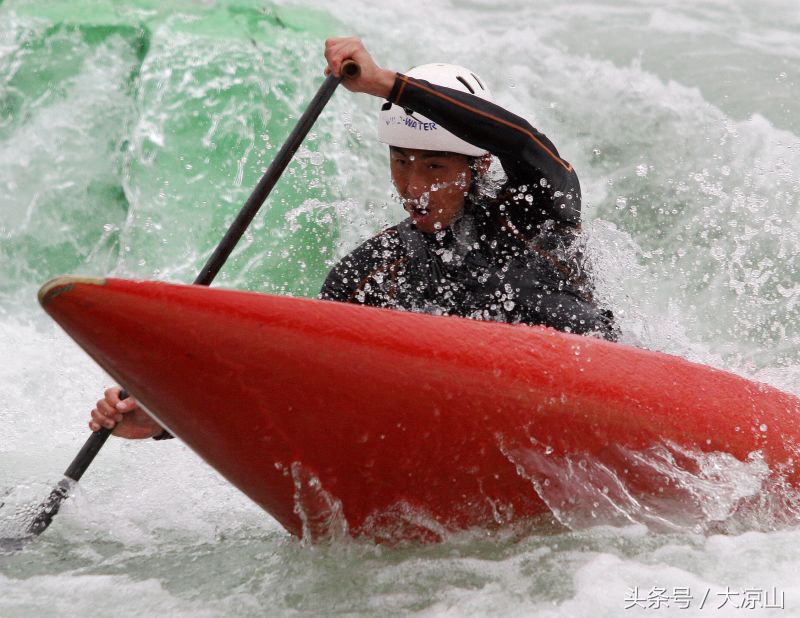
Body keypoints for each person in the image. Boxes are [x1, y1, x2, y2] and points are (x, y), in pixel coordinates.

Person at [89, 37, 616, 440]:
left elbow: (522, 141)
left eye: (434, 167)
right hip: (471, 422)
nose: (414, 187)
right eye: (401, 163)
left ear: (479, 166)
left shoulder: (537, 211)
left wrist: (387, 84)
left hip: (589, 398)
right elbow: (309, 383)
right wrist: (166, 417)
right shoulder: (371, 269)